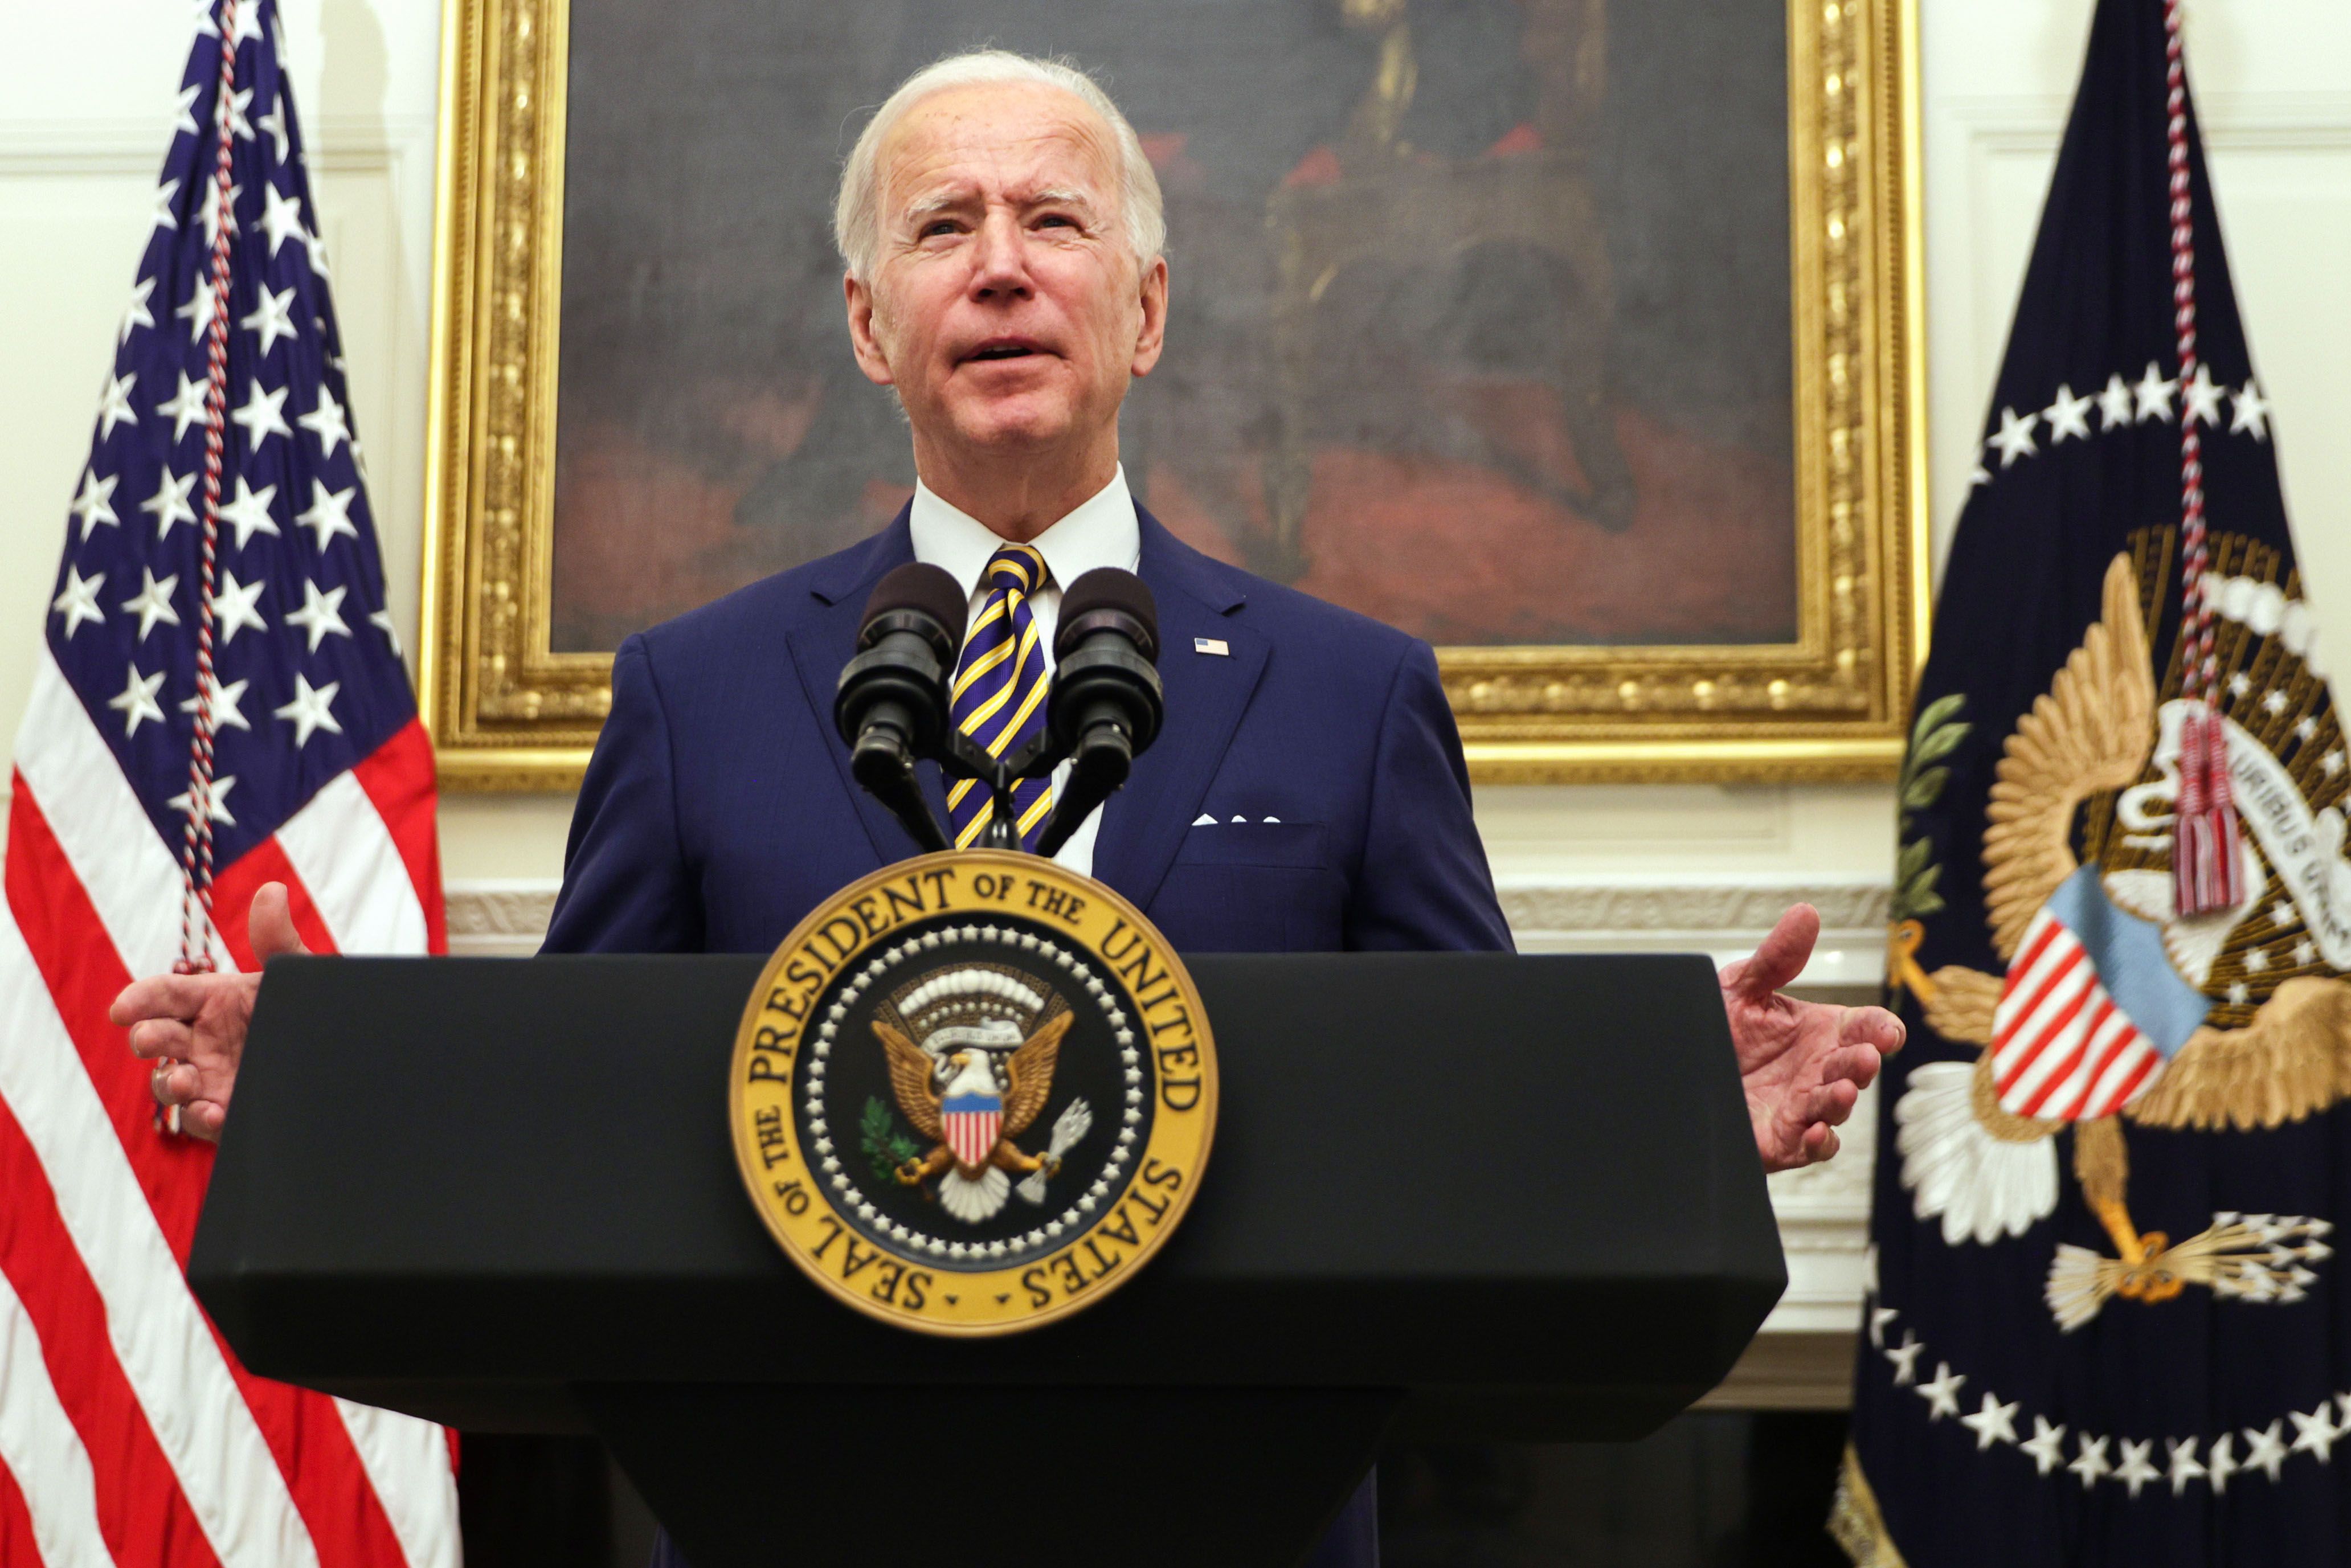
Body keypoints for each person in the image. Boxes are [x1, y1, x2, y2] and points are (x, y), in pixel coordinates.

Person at [119, 50, 1900, 1566]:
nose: (999, 269)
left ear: (1144, 305)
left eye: (1054, 222)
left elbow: (1465, 1110)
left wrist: (1670, 1107)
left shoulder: (1351, 693)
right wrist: (345, 1081)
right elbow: (589, 1111)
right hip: (796, 1512)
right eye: (942, 228)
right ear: (867, 322)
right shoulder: (698, 687)